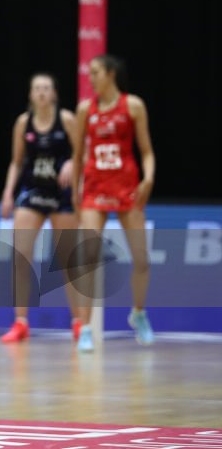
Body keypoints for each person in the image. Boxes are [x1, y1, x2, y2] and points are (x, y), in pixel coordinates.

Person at [71, 54, 156, 352]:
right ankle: (84, 328)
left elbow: (146, 151)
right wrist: (75, 191)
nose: (90, 77)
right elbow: (78, 153)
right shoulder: (85, 109)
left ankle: (139, 313)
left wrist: (149, 178)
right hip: (95, 188)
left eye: (95, 72)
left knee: (142, 259)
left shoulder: (133, 105)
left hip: (127, 188)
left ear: (110, 74)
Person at [0, 73, 81, 344]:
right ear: (31, 94)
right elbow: (15, 161)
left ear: (54, 93)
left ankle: (79, 322)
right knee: (20, 257)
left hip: (62, 194)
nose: (42, 93)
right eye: (37, 88)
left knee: (67, 260)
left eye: (46, 88)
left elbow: (83, 153)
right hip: (33, 192)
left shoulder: (67, 120)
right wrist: (8, 193)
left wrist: (71, 165)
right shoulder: (23, 122)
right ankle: (20, 322)